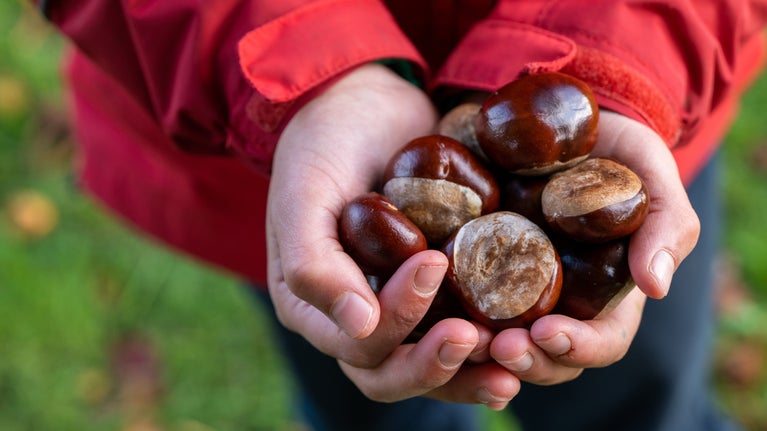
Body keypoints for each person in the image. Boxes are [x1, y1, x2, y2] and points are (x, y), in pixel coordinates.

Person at [38, 0, 767, 430]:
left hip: (643, 98)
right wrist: (310, 66)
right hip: (270, 152)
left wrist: (616, 64)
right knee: (372, 396)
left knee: (641, 406)